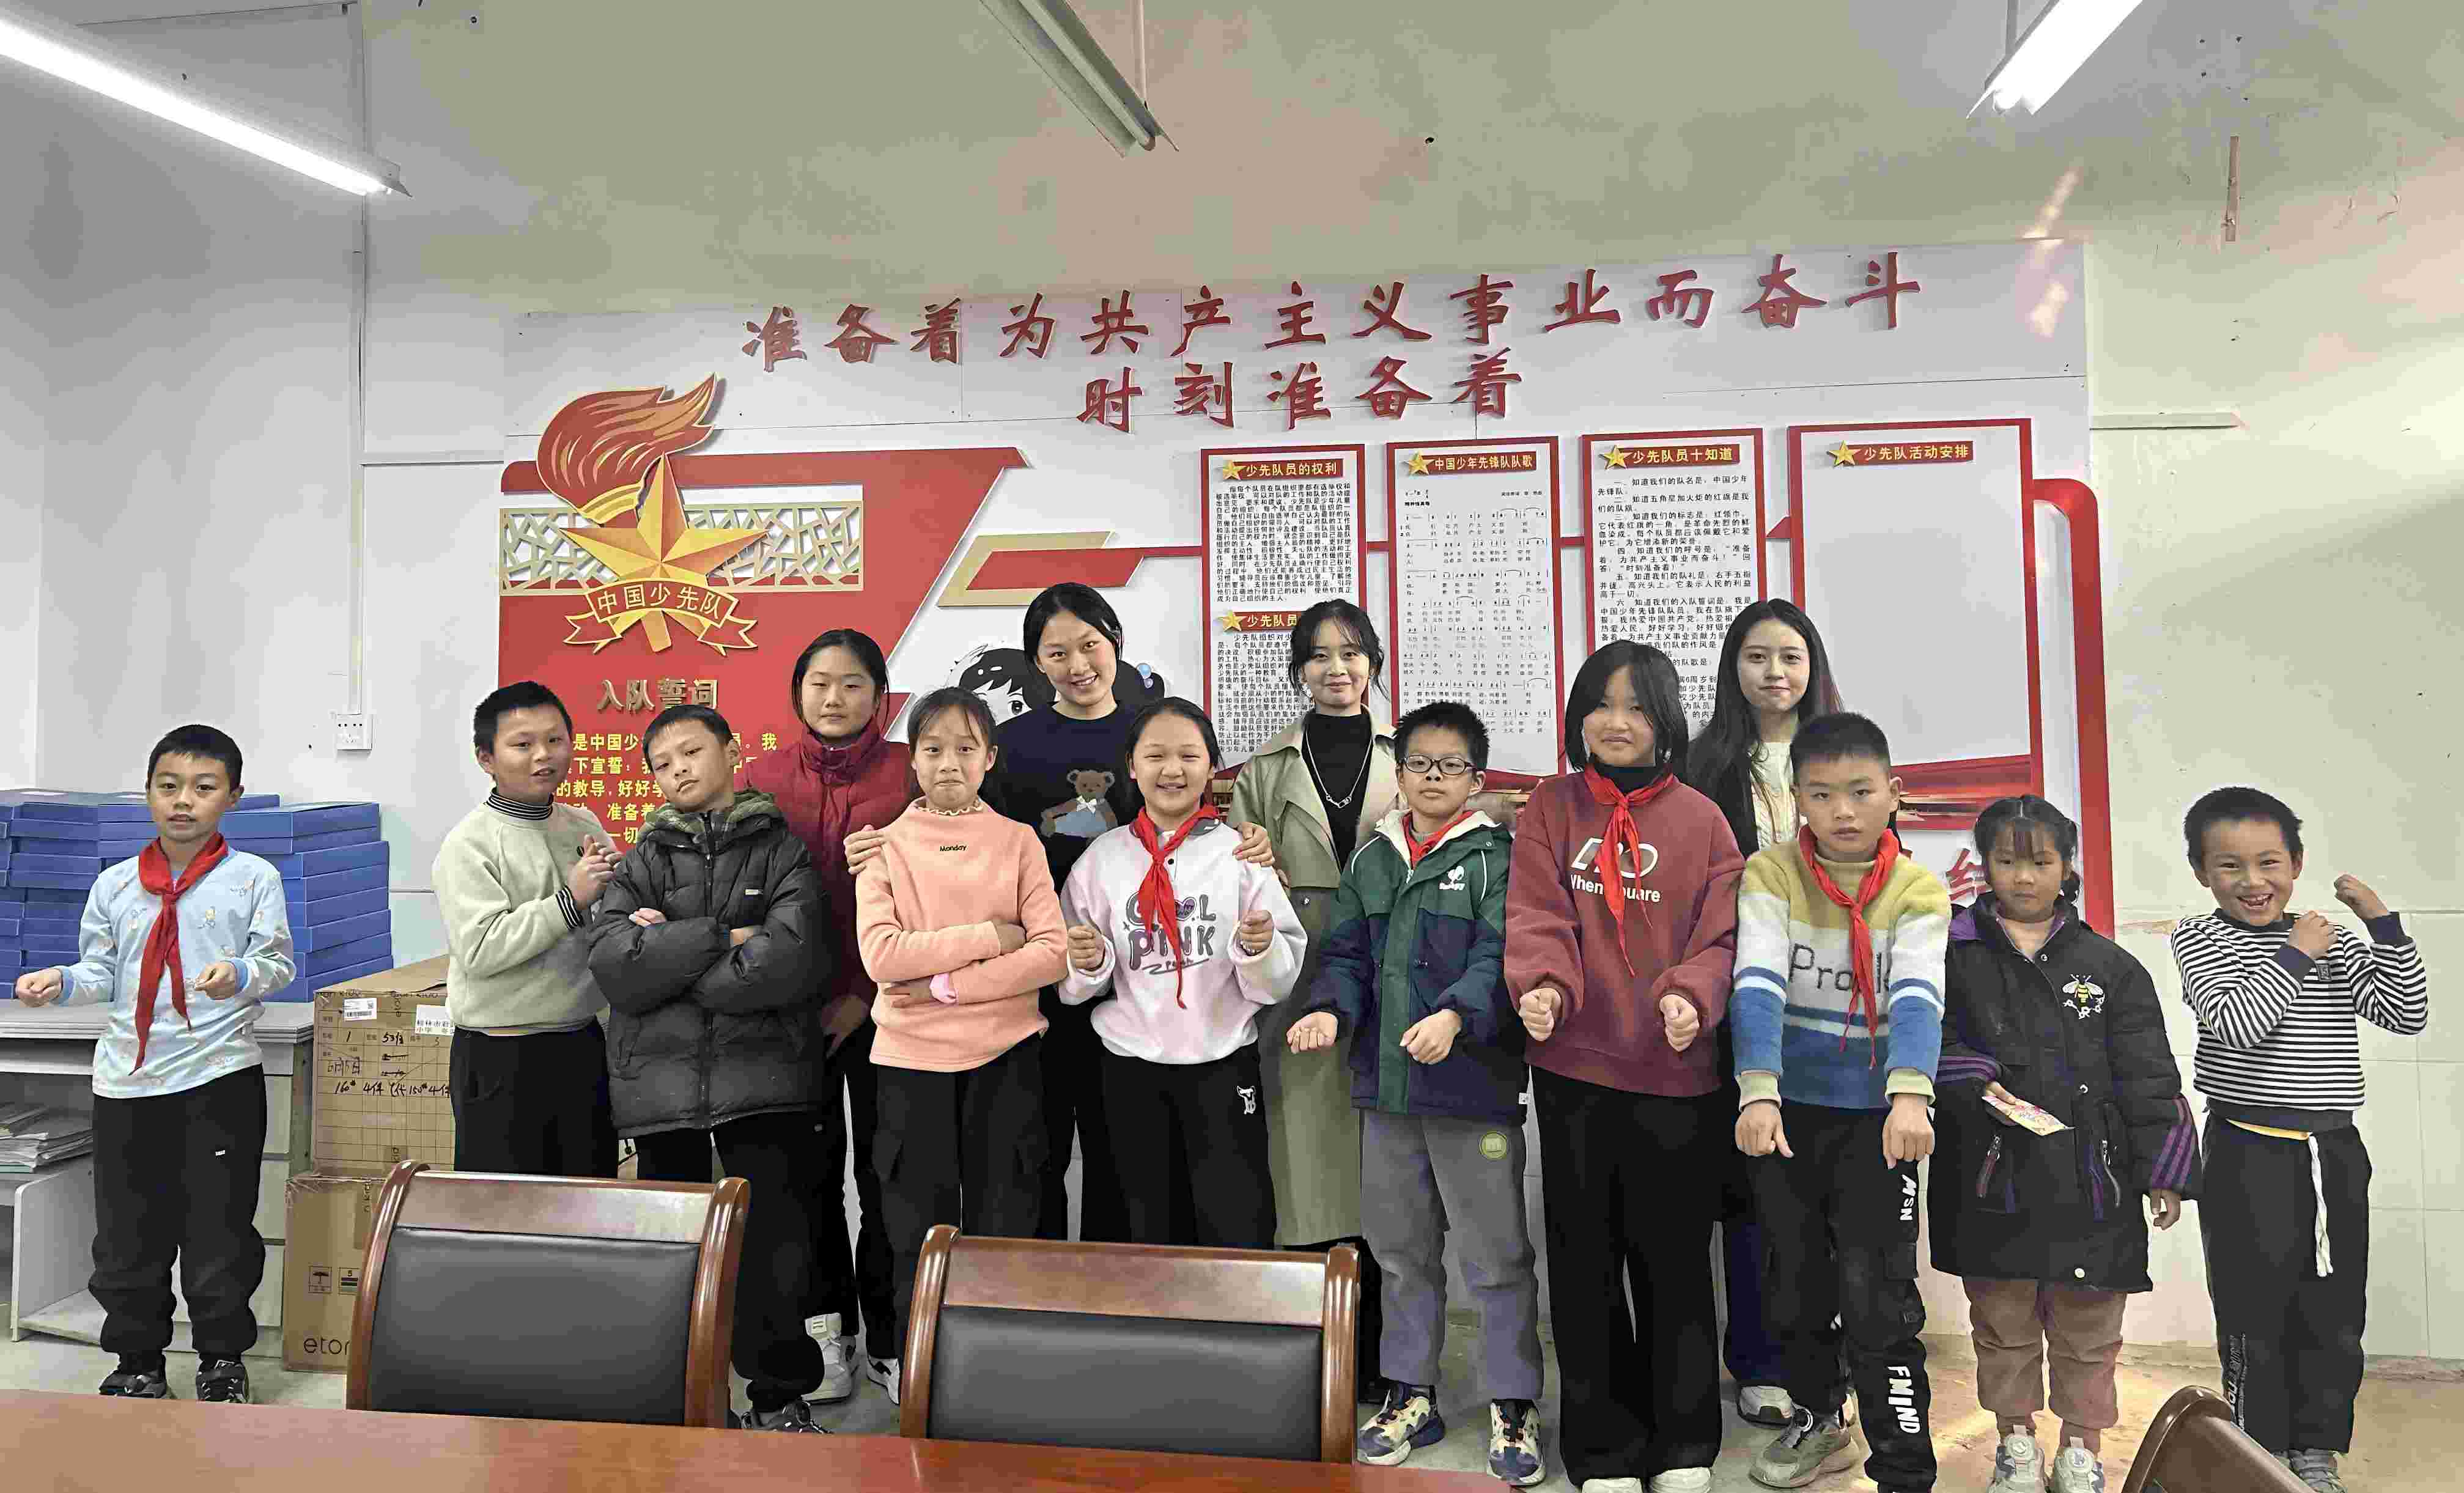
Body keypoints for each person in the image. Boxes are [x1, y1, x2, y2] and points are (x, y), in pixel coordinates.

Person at [843, 584, 1272, 1245]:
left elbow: (1193, 823)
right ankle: (1039, 1293)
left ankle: (1119, 1288)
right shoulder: (1011, 743)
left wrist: (1249, 838)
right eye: (1056, 652)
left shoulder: (1151, 730)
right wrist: (882, 846)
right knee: (1031, 1161)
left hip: (1136, 978)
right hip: (1027, 978)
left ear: (1115, 644)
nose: (1078, 664)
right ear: (1036, 662)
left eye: (1090, 645)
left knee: (1118, 1156)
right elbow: (963, 828)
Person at [1508, 641, 1745, 1493]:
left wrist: (1691, 995)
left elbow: (1724, 936)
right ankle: (1601, 1448)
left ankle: (1682, 1443)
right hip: (1573, 1069)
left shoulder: (1703, 820)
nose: (1616, 722)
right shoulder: (1551, 805)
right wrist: (1542, 987)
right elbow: (1535, 913)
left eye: (1637, 706)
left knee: (1674, 1263)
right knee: (1583, 1263)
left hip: (1675, 1077)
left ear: (1665, 719)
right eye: (1601, 704)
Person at [1291, 701, 1544, 1487]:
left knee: (1496, 1257)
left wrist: (1456, 1017)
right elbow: (1345, 957)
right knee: (1400, 1255)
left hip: (1472, 1091)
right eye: (1419, 765)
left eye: (1451, 766)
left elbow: (1501, 957)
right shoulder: (1374, 858)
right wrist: (1331, 1012)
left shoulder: (1498, 858)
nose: (1434, 778)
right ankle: (1411, 1393)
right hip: (1388, 1093)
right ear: (1397, 773)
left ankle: (1512, 1401)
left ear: (1476, 777)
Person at [13, 725, 293, 1406]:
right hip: (127, 1082)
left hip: (218, 1076)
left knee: (220, 1232)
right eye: (168, 786)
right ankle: (136, 1359)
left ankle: (221, 1358)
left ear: (233, 796)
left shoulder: (254, 879)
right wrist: (61, 981)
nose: (183, 801)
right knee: (127, 1235)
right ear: (147, 793)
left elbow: (278, 963)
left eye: (203, 787)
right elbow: (102, 972)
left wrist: (242, 973)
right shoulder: (115, 885)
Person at [1933, 796, 2199, 1493]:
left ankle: (2081, 1450)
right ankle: (2015, 1445)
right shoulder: (1949, 956)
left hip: (2094, 1183)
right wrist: (1967, 1074)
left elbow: (2150, 1075)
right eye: (2007, 861)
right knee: (2002, 1324)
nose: (2024, 877)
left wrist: (2164, 1171)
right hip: (1991, 1178)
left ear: (2066, 866)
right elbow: (1924, 1040)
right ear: (1984, 865)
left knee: (2089, 1330)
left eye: (2041, 862)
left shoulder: (2111, 966)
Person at [2170, 787, 2429, 1493]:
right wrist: (2293, 955)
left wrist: (2381, 926)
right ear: (2200, 872)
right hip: (2247, 1151)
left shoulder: (2330, 939)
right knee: (2252, 1313)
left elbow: (2405, 1013)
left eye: (2268, 862)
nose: (2251, 881)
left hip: (2331, 1154)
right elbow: (2236, 1024)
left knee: (2333, 1313)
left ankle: (2316, 1451)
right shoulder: (2199, 938)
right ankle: (2258, 1453)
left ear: (2296, 864)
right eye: (2229, 866)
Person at [587, 703, 828, 1432]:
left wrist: (671, 955)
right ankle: (688, 1404)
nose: (678, 771)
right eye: (662, 764)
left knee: (775, 1251)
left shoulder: (784, 851)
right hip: (661, 1092)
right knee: (676, 1256)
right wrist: (725, 938)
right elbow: (617, 967)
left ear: (731, 751)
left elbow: (789, 962)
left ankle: (779, 1400)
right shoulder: (640, 861)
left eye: (691, 752)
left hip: (766, 1083)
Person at [1730, 711, 1949, 1493]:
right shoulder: (1771, 873)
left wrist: (1911, 1097)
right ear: (1797, 799)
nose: (1843, 812)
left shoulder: (1918, 889)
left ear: (1894, 793)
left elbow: (1918, 996)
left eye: (1860, 792)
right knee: (1792, 1290)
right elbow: (1756, 983)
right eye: (1821, 795)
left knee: (1876, 1300)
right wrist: (1758, 1091)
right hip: (1788, 1116)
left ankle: (1903, 1469)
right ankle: (1821, 1419)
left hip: (1878, 1122)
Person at [854, 687, 1068, 1367]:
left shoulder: (1019, 841)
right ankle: (921, 1376)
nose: (949, 763)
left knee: (1008, 1221)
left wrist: (944, 985)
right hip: (909, 1065)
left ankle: (1006, 1373)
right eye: (934, 748)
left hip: (1007, 1059)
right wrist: (991, 936)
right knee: (914, 1230)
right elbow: (882, 957)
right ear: (913, 760)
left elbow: (1051, 954)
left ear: (990, 759)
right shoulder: (882, 847)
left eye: (966, 749)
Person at [1681, 599, 1848, 1429]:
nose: (1774, 672)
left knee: (1827, 1193)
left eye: (1789, 655)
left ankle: (1824, 1359)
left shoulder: (1844, 753)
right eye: (1756, 656)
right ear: (1732, 668)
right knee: (1752, 1189)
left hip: (1833, 995)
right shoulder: (1703, 761)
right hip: (1739, 993)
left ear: (1811, 665)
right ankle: (1758, 1361)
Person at [1059, 698, 1304, 1247]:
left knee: (1234, 1222)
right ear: (1131, 766)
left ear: (1212, 766)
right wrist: (1088, 961)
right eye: (1156, 756)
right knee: (1141, 1225)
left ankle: (1232, 1309)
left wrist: (1259, 949)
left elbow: (1277, 981)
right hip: (1129, 1071)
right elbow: (1073, 982)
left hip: (1223, 1066)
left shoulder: (1242, 856)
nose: (1173, 770)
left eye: (1190, 756)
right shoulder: (1101, 859)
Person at [1229, 599, 1398, 1398]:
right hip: (1294, 978)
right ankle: (1316, 1362)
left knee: (1387, 1164)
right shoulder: (1263, 770)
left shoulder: (1408, 756)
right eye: (1319, 655)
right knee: (1303, 1166)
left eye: (1352, 652)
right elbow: (1239, 886)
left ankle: (1388, 1362)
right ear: (1298, 669)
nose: (1337, 669)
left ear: (1374, 663)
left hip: (1390, 967)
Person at [745, 629, 910, 1403]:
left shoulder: (912, 771)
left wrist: (865, 996)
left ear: (879, 696)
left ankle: (891, 1339)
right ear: (797, 692)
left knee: (888, 1181)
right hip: (790, 1020)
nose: (834, 698)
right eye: (819, 683)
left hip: (892, 1012)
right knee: (804, 1186)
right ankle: (826, 1337)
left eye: (852, 684)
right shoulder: (761, 779)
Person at [433, 681, 621, 1178]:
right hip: (501, 1056)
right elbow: (482, 949)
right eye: (523, 744)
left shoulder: (582, 824)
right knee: (506, 1212)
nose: (544, 755)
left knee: (589, 1201)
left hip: (581, 1044)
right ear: (486, 759)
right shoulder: (469, 844)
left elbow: (608, 917)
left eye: (555, 740)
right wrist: (571, 901)